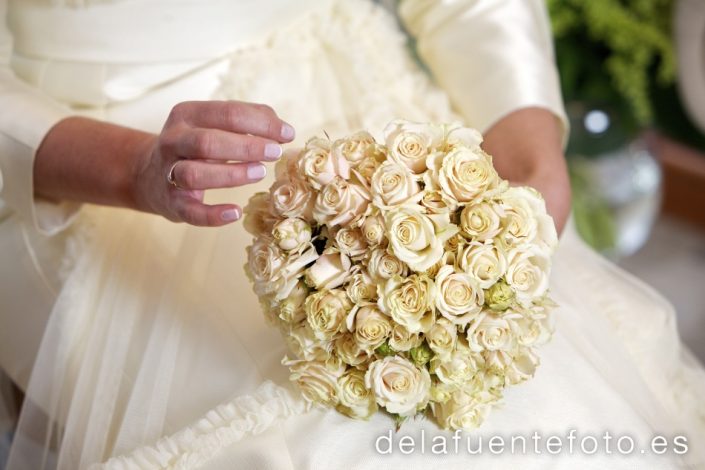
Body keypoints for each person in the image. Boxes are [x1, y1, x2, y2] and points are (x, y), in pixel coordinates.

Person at [0, 0, 703, 468]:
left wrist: (524, 132)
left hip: (363, 103)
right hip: (83, 163)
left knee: (555, 414)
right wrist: (130, 170)